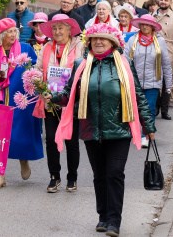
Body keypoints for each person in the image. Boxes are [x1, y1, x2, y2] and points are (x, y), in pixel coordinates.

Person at [53, 23, 156, 237]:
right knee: (99, 175)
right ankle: (103, 216)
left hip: (119, 129)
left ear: (113, 42)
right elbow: (68, 93)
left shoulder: (124, 63)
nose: (99, 42)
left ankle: (114, 221)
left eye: (104, 39)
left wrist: (149, 125)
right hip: (91, 129)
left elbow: (137, 95)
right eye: (95, 39)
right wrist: (50, 96)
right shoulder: (81, 64)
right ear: (88, 41)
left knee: (114, 173)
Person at [0, 18, 42, 189]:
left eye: (14, 31)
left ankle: (23, 160)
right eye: (9, 32)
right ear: (1, 35)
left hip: (21, 98)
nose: (13, 34)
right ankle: (0, 176)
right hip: (0, 97)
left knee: (19, 134)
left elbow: (35, 70)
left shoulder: (25, 48)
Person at [35, 14, 85, 193]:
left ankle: (72, 177)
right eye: (54, 28)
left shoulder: (79, 46)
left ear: (69, 30)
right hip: (50, 101)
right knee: (50, 139)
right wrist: (38, 81)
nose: (57, 32)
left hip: (71, 101)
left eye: (60, 28)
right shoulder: (47, 47)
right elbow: (38, 69)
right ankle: (54, 176)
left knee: (71, 142)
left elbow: (84, 69)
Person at [125, 14, 173, 147]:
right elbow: (124, 60)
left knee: (150, 108)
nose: (145, 26)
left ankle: (145, 135)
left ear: (152, 26)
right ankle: (136, 132)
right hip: (135, 82)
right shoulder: (133, 39)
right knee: (136, 110)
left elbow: (166, 64)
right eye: (142, 24)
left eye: (147, 24)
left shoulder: (160, 41)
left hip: (153, 82)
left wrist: (168, 85)